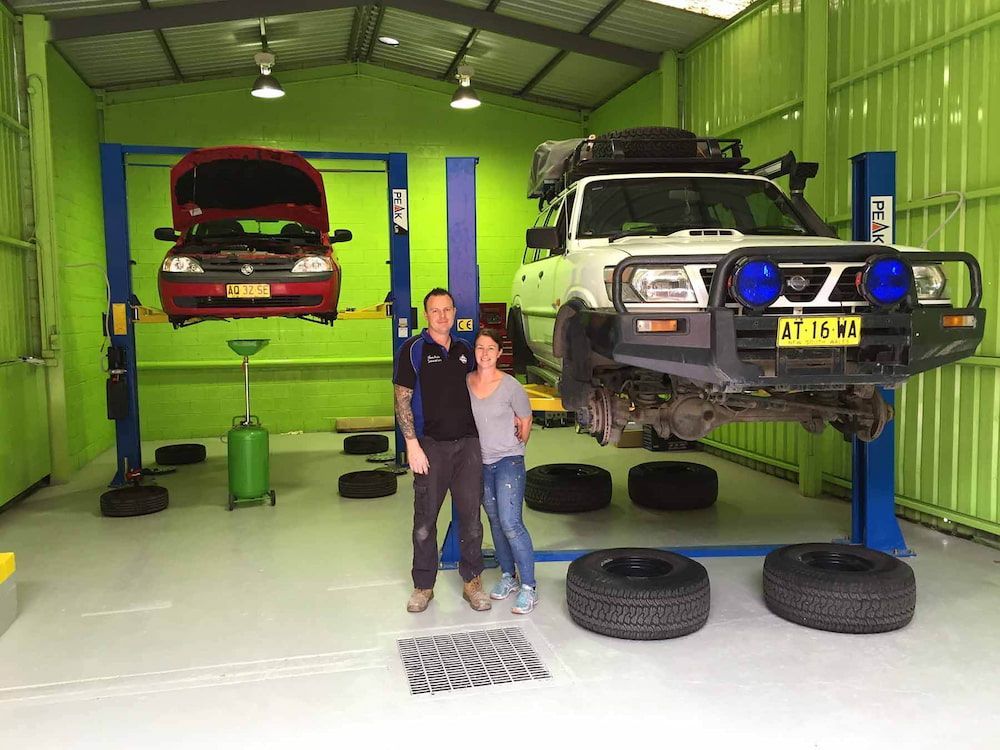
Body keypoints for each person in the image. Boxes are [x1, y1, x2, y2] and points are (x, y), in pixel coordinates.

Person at [393, 288, 491, 613]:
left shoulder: (465, 350)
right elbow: (402, 398)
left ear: (453, 312)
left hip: (467, 447)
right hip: (430, 448)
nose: (442, 316)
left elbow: (486, 388)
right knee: (424, 522)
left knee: (471, 521)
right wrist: (411, 444)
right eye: (435, 311)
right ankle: (423, 586)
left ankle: (472, 582)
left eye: (447, 309)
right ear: (426, 315)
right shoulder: (413, 349)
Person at [467, 328, 538, 614]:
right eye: (480, 348)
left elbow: (525, 419)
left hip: (508, 460)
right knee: (495, 521)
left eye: (490, 348)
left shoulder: (510, 385)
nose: (484, 354)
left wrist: (517, 444)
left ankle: (530, 587)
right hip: (480, 463)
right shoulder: (467, 382)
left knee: (511, 522)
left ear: (499, 353)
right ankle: (508, 576)